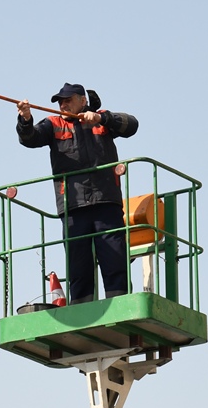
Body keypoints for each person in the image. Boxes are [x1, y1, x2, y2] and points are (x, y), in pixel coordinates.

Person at [16, 83, 139, 304]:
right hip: (73, 206)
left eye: (68, 99)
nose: (63, 104)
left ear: (83, 101)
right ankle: (82, 309)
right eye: (60, 101)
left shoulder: (102, 120)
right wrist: (25, 119)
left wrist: (101, 119)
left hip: (106, 202)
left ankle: (121, 305)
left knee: (114, 258)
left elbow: (132, 125)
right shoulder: (54, 123)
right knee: (78, 265)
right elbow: (30, 138)